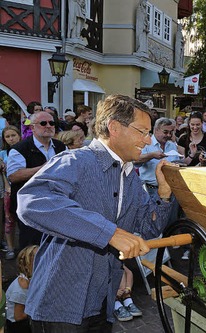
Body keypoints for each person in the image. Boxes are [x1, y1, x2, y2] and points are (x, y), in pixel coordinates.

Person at [17, 94, 177, 330]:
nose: (148, 139)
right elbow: (31, 201)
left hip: (103, 303)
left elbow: (147, 227)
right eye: (142, 131)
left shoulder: (130, 176)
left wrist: (164, 194)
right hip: (61, 306)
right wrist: (109, 233)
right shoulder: (76, 160)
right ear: (114, 127)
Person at [8, 111, 66, 249]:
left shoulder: (61, 147)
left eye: (52, 123)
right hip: (30, 208)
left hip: (56, 204)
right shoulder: (20, 149)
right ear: (32, 127)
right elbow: (13, 175)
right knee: (32, 248)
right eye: (43, 123)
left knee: (54, 247)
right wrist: (44, 168)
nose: (48, 126)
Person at [5, 245, 38, 333]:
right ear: (27, 265)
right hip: (16, 325)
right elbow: (19, 317)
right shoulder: (21, 289)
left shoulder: (28, 279)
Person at [1, 125, 21, 259]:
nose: (11, 139)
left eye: (13, 135)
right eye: (7, 137)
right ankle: (10, 247)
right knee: (9, 219)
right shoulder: (2, 154)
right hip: (9, 189)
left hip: (23, 188)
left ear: (19, 135)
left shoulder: (24, 149)